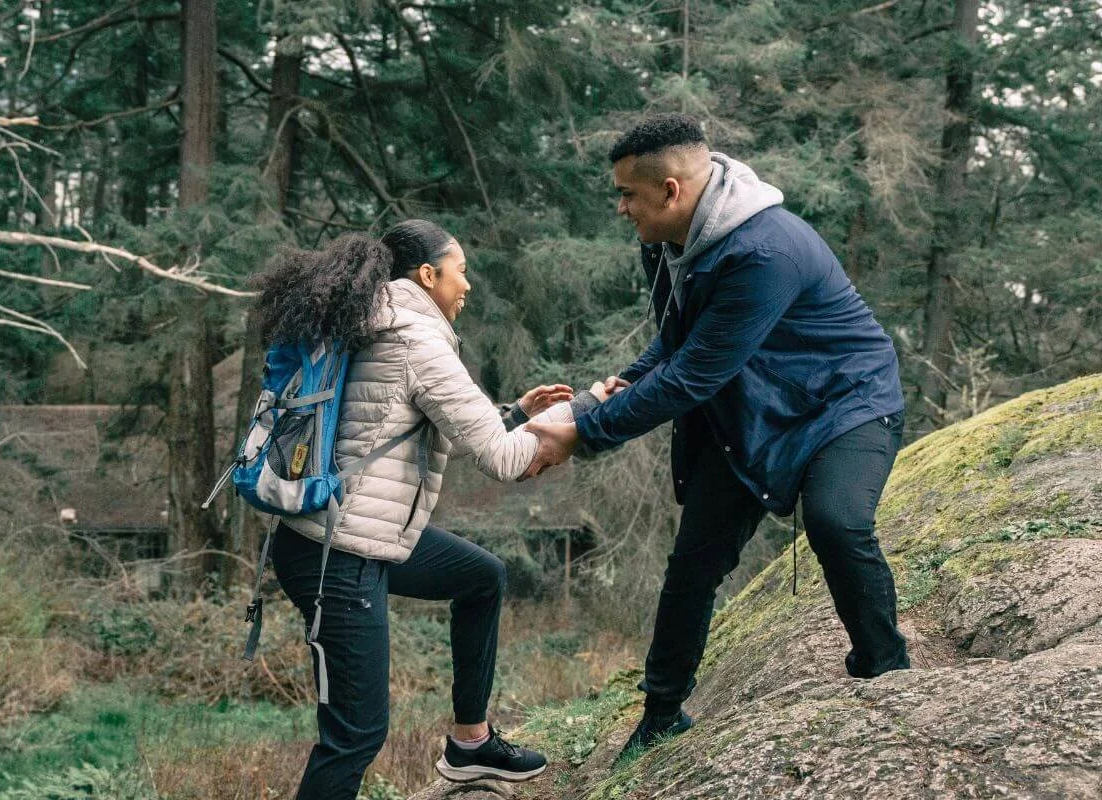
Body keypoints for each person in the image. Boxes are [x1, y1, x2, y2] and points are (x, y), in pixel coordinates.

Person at [523, 114, 910, 758]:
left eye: (628, 195)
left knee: (838, 523)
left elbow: (692, 377)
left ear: (671, 191)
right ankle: (661, 715)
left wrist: (583, 434)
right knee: (694, 563)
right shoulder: (671, 241)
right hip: (756, 408)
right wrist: (594, 399)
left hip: (845, 403)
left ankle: (886, 671)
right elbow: (676, 346)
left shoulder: (765, 251)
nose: (621, 208)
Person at [252, 220, 596, 799]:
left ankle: (470, 744)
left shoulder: (375, 320)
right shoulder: (418, 338)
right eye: (461, 270)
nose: (468, 285)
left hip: (354, 535)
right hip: (335, 556)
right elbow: (507, 462)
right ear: (429, 275)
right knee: (356, 734)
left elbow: (409, 428)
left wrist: (509, 412)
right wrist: (589, 411)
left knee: (481, 577)